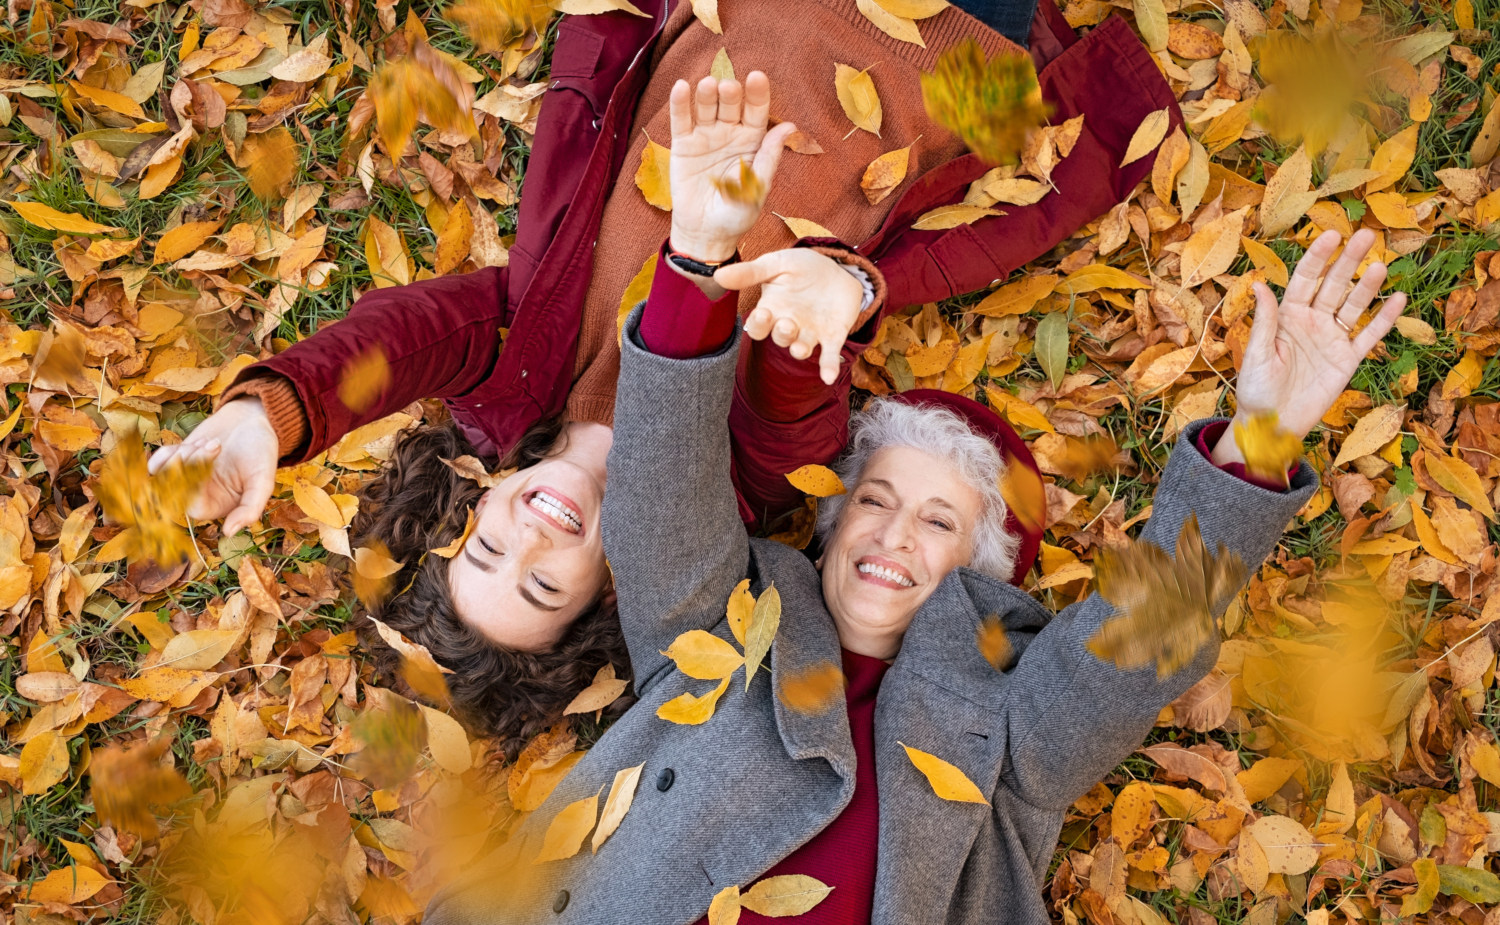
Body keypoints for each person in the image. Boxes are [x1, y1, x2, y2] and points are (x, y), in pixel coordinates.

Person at [420, 77, 1408, 924]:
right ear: (832, 520)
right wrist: (696, 254)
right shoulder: (728, 633)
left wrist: (1263, 437)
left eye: (939, 521)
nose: (893, 534)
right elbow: (658, 498)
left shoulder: (1005, 736)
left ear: (976, 575)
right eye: (877, 501)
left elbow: (1132, 653)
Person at [149, 0, 1172, 752]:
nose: (533, 532)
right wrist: (830, 299)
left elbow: (403, 336)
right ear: (601, 600)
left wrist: (270, 421)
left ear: (474, 496)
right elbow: (796, 413)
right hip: (950, 52)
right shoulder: (728, 485)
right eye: (543, 580)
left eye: (489, 542)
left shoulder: (514, 377)